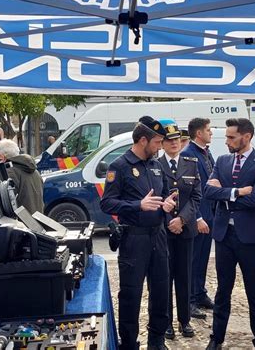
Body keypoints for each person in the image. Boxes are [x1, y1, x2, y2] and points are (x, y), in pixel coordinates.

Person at [100, 116, 176, 350]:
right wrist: (137, 205)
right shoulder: (120, 166)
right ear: (143, 140)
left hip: (159, 235)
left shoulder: (156, 165)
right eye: (156, 142)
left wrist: (166, 204)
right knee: (131, 294)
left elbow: (160, 196)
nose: (160, 147)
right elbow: (107, 203)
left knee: (161, 291)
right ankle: (129, 342)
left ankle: (157, 339)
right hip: (134, 238)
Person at [205, 118, 255, 350]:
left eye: (231, 137)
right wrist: (235, 192)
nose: (226, 142)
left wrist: (222, 193)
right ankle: (216, 338)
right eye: (226, 137)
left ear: (247, 136)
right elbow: (207, 191)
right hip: (224, 235)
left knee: (254, 291)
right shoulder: (222, 160)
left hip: (251, 238)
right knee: (222, 290)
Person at [158, 120, 201, 340]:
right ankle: (166, 323)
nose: (174, 143)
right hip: (164, 232)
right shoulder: (155, 165)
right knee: (165, 277)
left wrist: (182, 220)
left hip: (185, 231)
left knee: (184, 277)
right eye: (169, 140)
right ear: (162, 143)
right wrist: (169, 221)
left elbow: (196, 196)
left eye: (177, 139)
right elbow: (155, 198)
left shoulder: (191, 163)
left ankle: (185, 321)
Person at [180, 118, 216, 320]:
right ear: (199, 133)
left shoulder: (205, 152)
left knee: (202, 259)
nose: (211, 133)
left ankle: (200, 293)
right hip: (198, 217)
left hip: (210, 214)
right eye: (208, 130)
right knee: (192, 261)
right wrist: (198, 217)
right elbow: (188, 192)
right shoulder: (188, 155)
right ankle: (190, 301)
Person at [0, 139, 44, 214]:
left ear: (2, 157)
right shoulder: (35, 171)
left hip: (21, 223)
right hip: (36, 221)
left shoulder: (10, 172)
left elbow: (7, 203)